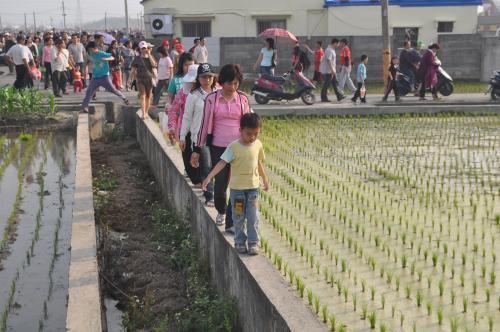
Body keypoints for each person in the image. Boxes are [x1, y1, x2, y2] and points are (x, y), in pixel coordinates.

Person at [191, 64, 252, 233]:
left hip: (239, 148)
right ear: (222, 82)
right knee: (220, 187)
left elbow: (248, 124)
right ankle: (222, 210)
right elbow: (204, 125)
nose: (232, 87)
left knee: (237, 186)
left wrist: (252, 147)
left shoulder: (243, 99)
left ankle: (233, 222)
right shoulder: (212, 99)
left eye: (235, 83)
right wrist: (197, 149)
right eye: (228, 83)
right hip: (218, 147)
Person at [202, 113, 269, 255]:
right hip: (237, 191)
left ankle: (253, 243)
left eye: (255, 134)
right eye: (248, 133)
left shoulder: (258, 145)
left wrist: (265, 178)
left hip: (253, 190)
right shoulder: (233, 147)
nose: (252, 137)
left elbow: (258, 163)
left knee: (253, 217)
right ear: (240, 130)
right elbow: (222, 162)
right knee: (238, 218)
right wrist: (209, 177)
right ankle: (239, 242)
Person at [180, 63, 218, 206]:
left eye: (209, 77)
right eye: (203, 77)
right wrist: (183, 136)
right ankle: (209, 195)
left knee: (216, 165)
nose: (207, 80)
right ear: (198, 79)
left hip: (217, 135)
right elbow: (187, 117)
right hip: (200, 137)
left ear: (213, 77)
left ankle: (216, 193)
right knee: (206, 165)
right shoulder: (193, 96)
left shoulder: (219, 93)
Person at [167, 64, 199, 183]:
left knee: (202, 158)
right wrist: (172, 126)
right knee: (187, 157)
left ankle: (203, 184)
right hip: (185, 130)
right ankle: (195, 178)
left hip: (202, 131)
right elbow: (174, 110)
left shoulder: (209, 92)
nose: (193, 84)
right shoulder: (183, 92)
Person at [81, 41, 129, 113]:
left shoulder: (102, 53)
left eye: (91, 49)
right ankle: (85, 106)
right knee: (89, 91)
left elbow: (112, 57)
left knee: (113, 90)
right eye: (89, 50)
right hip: (95, 77)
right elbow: (87, 60)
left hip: (104, 77)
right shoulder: (91, 54)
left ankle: (124, 98)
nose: (90, 51)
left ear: (95, 48)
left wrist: (106, 59)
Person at [131, 41, 158, 119]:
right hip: (140, 79)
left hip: (149, 79)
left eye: (145, 48)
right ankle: (143, 113)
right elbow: (133, 69)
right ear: (140, 49)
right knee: (142, 96)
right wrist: (130, 80)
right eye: (143, 48)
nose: (144, 49)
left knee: (148, 97)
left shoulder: (151, 56)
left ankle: (146, 112)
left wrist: (149, 54)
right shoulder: (137, 58)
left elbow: (154, 65)